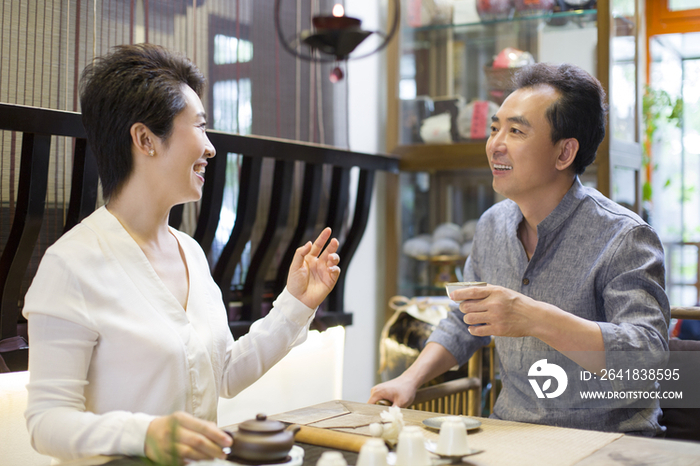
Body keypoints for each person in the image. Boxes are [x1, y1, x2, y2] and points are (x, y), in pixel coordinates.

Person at [23, 43, 341, 464]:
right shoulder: (71, 265)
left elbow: (222, 373)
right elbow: (46, 423)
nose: (210, 148)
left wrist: (296, 304)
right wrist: (145, 433)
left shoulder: (189, 252)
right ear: (145, 139)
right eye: (199, 127)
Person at [369, 63, 670, 435]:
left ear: (564, 153)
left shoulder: (625, 237)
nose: (495, 144)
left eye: (515, 131)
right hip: (509, 434)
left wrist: (534, 317)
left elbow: (647, 362)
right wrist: (409, 379)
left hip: (604, 443)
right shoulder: (491, 226)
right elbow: (464, 323)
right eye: (495, 128)